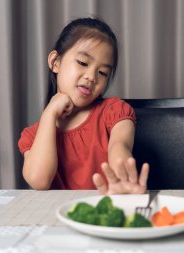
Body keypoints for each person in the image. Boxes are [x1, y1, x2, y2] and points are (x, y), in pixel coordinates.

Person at [18, 17, 149, 195]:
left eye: (102, 73)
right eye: (82, 63)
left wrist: (122, 177)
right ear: (55, 62)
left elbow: (120, 147)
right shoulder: (32, 135)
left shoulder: (114, 112)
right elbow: (39, 180)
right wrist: (49, 114)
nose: (91, 76)